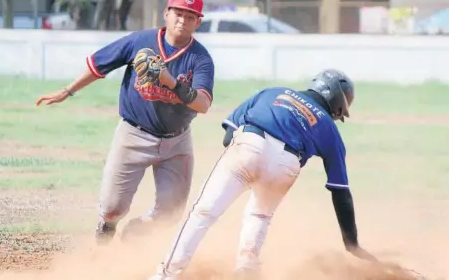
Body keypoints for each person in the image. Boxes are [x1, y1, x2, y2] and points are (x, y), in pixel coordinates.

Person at [147, 69, 378, 280]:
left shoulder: (273, 92)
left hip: (250, 143)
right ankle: (246, 269)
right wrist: (352, 242)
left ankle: (165, 275)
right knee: (259, 215)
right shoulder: (328, 126)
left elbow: (228, 134)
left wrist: (242, 166)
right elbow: (340, 191)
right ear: (337, 105)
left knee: (203, 214)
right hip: (286, 164)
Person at [36, 0, 215, 245]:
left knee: (170, 213)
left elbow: (203, 103)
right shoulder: (141, 41)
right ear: (166, 14)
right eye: (178, 13)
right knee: (112, 208)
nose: (182, 20)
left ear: (198, 22)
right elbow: (98, 65)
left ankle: (135, 233)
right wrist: (68, 91)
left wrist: (170, 82)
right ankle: (106, 228)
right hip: (133, 135)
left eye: (190, 16)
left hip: (177, 142)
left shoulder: (200, 58)